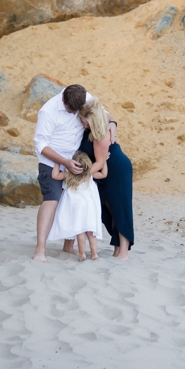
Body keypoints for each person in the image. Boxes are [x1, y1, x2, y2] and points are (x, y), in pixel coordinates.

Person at [32, 84, 92, 263]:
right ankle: (40, 249)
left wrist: (112, 124)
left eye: (77, 111)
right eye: (69, 110)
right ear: (63, 99)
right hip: (51, 161)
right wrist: (64, 162)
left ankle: (68, 245)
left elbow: (103, 112)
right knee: (51, 200)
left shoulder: (85, 97)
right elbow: (40, 144)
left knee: (74, 201)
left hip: (75, 159)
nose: (74, 113)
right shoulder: (48, 111)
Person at [77, 98, 135, 260]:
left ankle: (123, 251)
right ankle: (117, 247)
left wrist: (81, 175)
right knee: (107, 211)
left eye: (84, 120)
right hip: (103, 172)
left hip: (116, 169)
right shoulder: (92, 127)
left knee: (120, 209)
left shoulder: (100, 133)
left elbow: (100, 161)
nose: (82, 123)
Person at [47, 151, 105, 261]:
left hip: (76, 205)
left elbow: (55, 176)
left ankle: (82, 254)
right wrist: (104, 161)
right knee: (91, 231)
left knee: (80, 230)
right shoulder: (88, 174)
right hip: (89, 205)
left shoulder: (69, 173)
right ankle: (94, 254)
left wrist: (58, 162)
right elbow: (103, 174)